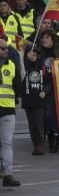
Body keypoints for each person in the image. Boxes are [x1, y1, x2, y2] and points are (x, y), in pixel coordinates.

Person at [0, 40, 23, 186]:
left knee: (7, 143)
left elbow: (16, 85)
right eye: (2, 49)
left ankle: (8, 174)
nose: (5, 51)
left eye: (6, 49)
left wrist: (16, 102)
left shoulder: (12, 65)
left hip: (7, 108)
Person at [21, 46, 50, 157]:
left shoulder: (42, 67)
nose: (32, 57)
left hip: (39, 99)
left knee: (38, 124)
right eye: (30, 54)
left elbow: (48, 82)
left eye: (34, 55)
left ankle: (40, 144)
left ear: (38, 56)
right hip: (28, 99)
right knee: (31, 125)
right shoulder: (24, 66)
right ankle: (35, 144)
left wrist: (44, 91)